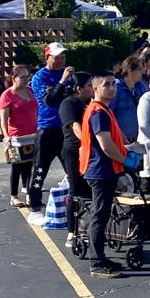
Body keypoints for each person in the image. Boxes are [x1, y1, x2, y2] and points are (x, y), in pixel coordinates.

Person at [79, 74, 128, 278]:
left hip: (104, 169)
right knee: (99, 214)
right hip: (100, 170)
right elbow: (105, 144)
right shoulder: (98, 112)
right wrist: (126, 161)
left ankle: (100, 258)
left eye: (113, 84)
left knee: (103, 213)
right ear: (95, 89)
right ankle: (96, 262)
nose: (111, 88)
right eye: (106, 85)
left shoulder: (103, 109)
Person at [26, 43, 73, 224]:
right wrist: (62, 82)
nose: (60, 60)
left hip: (65, 129)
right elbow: (50, 100)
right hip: (47, 129)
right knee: (40, 169)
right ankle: (35, 207)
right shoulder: (40, 77)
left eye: (63, 57)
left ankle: (73, 203)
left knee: (72, 169)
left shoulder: (69, 76)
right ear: (47, 58)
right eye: (56, 57)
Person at [56, 71, 93, 248]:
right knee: (76, 190)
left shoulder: (91, 103)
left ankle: (88, 227)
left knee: (90, 189)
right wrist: (89, 143)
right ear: (79, 89)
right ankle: (72, 231)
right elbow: (76, 128)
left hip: (91, 151)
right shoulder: (69, 103)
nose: (93, 89)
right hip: (73, 151)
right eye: (89, 86)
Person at [0, 65, 38, 209]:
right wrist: (6, 135)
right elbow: (3, 118)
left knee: (29, 165)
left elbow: (36, 110)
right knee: (16, 166)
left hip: (32, 134)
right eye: (23, 77)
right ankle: (13, 196)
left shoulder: (30, 91)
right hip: (16, 136)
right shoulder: (7, 95)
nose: (26, 79)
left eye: (28, 76)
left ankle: (28, 193)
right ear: (13, 78)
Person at [110, 56, 148, 144]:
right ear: (130, 70)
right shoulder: (117, 87)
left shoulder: (141, 86)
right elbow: (110, 113)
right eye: (140, 69)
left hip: (140, 139)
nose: (143, 72)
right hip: (121, 140)